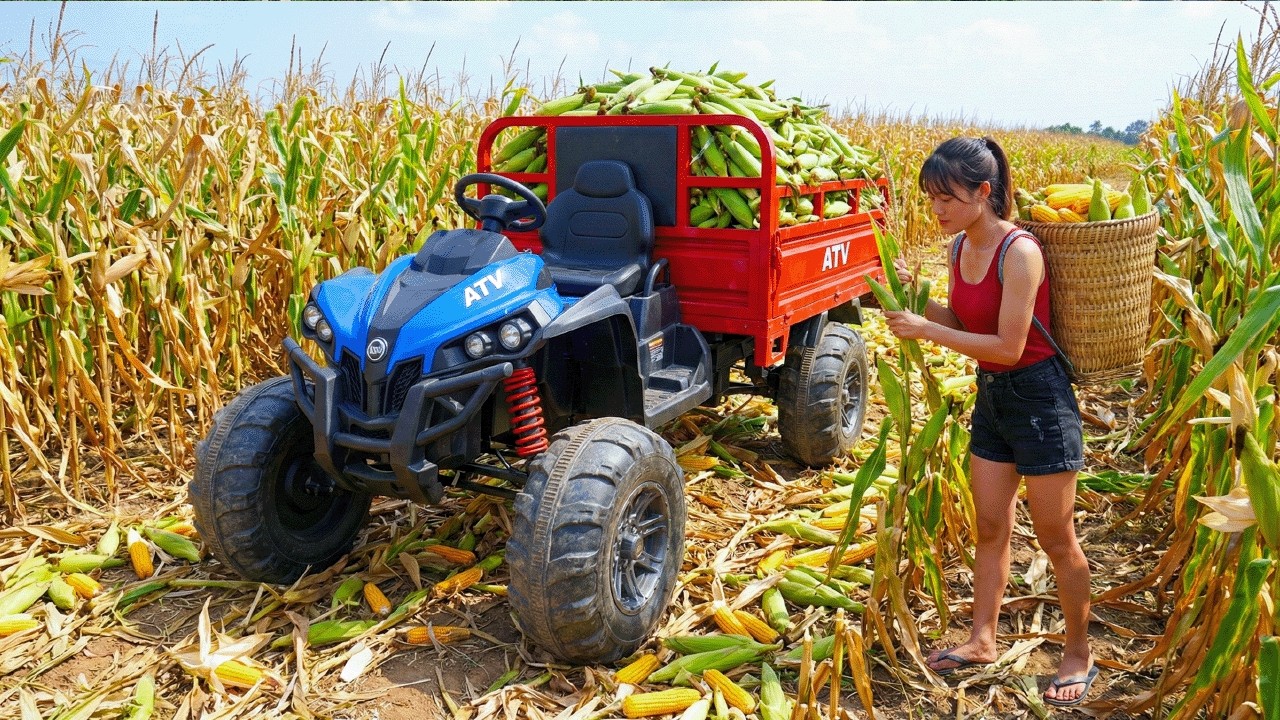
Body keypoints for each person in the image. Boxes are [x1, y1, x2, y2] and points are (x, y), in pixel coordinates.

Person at [881, 137, 1097, 707]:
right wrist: (916, 299)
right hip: (993, 398)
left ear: (983, 192)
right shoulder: (957, 250)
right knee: (989, 527)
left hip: (1040, 401)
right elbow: (962, 319)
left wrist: (926, 331)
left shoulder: (1020, 252)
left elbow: (1007, 343)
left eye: (947, 197)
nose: (937, 209)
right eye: (930, 198)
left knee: (1055, 536)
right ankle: (982, 639)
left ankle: (1078, 653)